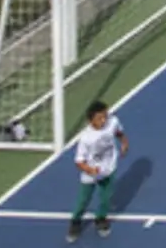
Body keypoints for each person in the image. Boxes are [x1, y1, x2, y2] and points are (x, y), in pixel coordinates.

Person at [66, 101, 127, 242]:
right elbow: (79, 161)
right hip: (91, 173)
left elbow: (118, 132)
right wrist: (90, 169)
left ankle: (100, 219)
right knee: (83, 200)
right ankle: (75, 222)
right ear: (91, 120)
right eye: (100, 118)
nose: (104, 120)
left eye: (105, 116)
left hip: (108, 168)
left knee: (106, 198)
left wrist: (124, 143)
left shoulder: (113, 121)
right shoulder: (86, 138)